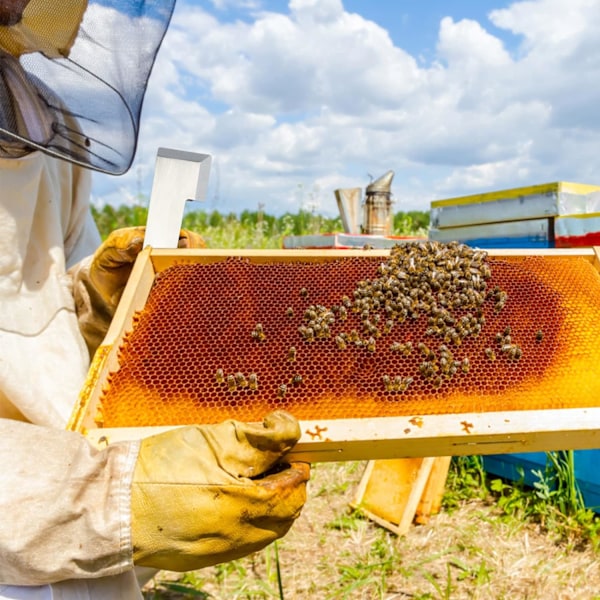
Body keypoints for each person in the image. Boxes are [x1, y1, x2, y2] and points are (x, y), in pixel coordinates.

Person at [0, 2, 310, 599]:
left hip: (66, 500)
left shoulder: (36, 111)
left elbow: (38, 306)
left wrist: (98, 299)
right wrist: (111, 497)